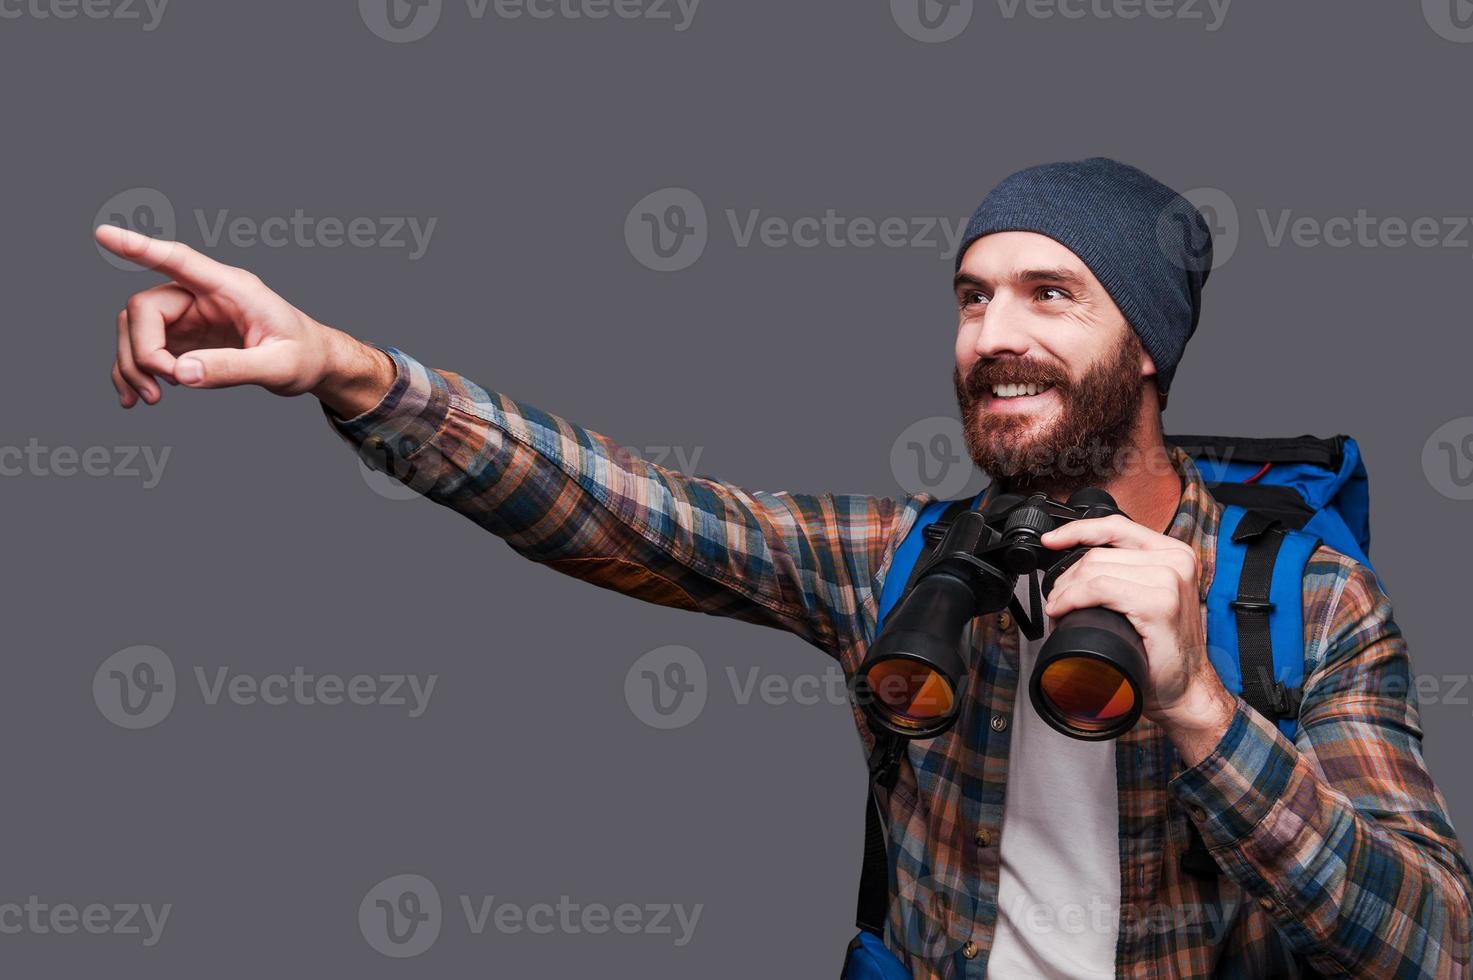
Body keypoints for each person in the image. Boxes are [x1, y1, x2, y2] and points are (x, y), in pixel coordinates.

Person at [98, 157, 1472, 978]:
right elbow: (628, 510)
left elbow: (1431, 947)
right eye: (970, 295)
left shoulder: (1295, 600)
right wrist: (348, 368)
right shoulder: (906, 563)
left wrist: (1199, 714)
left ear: (1148, 348)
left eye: (1051, 294)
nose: (991, 334)